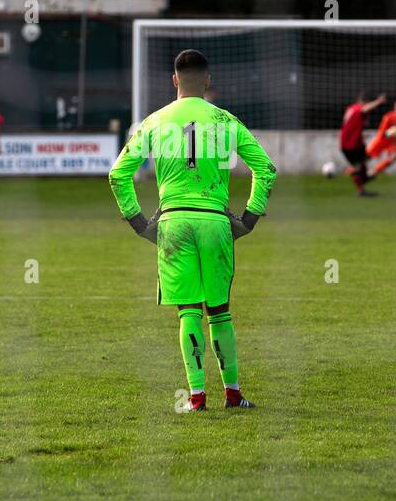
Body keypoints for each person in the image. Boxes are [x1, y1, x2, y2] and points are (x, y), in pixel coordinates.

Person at [108, 49, 277, 412]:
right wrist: (249, 218)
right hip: (216, 222)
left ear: (174, 81)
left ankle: (197, 398)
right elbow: (266, 169)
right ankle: (233, 394)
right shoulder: (225, 120)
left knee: (188, 311)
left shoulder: (154, 121)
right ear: (207, 81)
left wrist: (138, 222)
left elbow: (118, 173)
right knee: (220, 311)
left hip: (173, 223)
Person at [339, 91, 388, 197]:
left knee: (365, 158)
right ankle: (361, 188)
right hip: (350, 144)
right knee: (358, 165)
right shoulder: (358, 108)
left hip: (352, 142)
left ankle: (362, 177)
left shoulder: (351, 108)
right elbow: (363, 109)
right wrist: (378, 102)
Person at [365, 99, 396, 178]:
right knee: (366, 157)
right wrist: (391, 131)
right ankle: (351, 171)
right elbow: (382, 133)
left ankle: (374, 171)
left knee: (395, 156)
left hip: (393, 143)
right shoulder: (388, 117)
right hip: (381, 140)